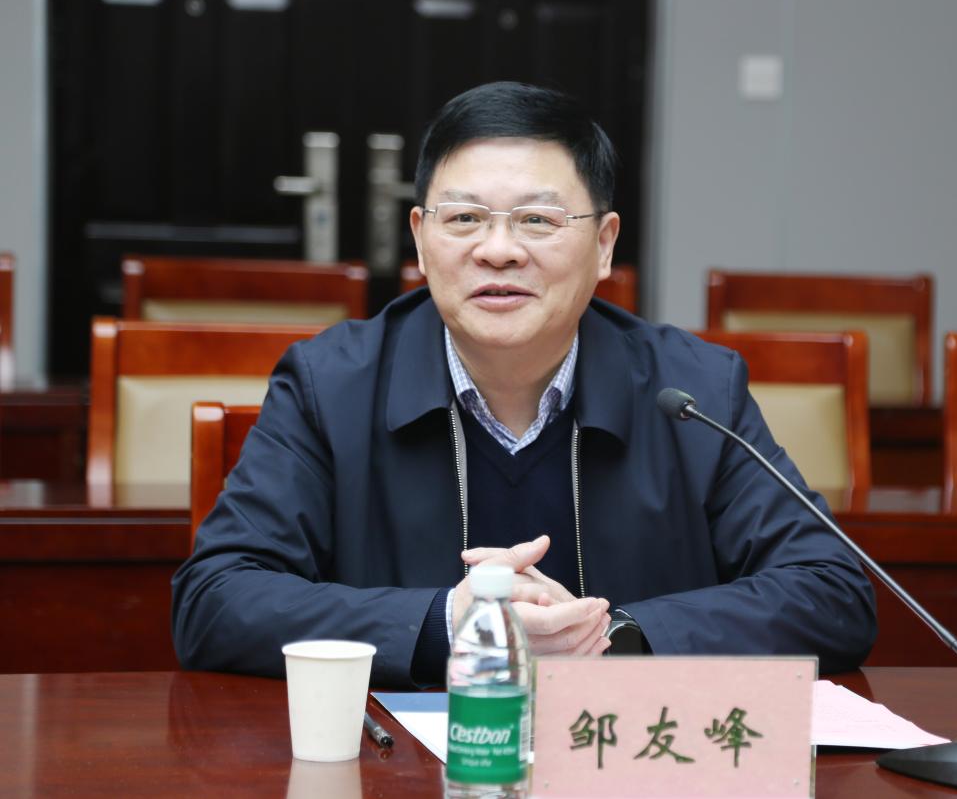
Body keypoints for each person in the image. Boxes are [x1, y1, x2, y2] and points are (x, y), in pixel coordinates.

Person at [171, 82, 876, 687]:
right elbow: (216, 599)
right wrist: (452, 625)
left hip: (623, 762)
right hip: (397, 769)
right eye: (465, 218)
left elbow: (831, 591)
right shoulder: (331, 384)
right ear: (420, 240)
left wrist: (612, 635)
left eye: (538, 219)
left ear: (604, 244)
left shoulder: (694, 390)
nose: (499, 249)